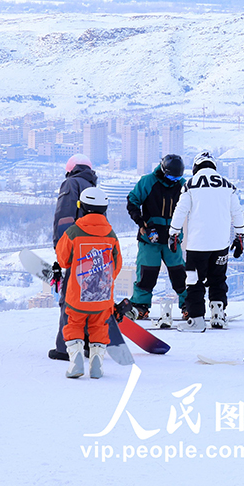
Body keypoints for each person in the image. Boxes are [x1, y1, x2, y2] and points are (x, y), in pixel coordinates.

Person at [168, 151, 244, 332]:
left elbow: (180, 211)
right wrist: (240, 236)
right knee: (218, 279)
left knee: (195, 281)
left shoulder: (190, 185)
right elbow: (237, 212)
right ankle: (218, 315)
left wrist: (173, 234)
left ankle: (196, 319)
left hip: (198, 245)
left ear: (196, 167)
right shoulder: (228, 186)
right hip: (221, 244)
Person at [55, 187, 123, 379]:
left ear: (82, 207)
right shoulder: (111, 234)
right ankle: (97, 363)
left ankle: (76, 357)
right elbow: (117, 265)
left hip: (77, 295)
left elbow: (63, 259)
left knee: (74, 324)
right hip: (102, 296)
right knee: (99, 326)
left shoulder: (74, 232)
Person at [49, 153, 98, 361]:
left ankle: (65, 347)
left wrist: (60, 250)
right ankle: (87, 342)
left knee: (70, 297)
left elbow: (64, 218)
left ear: (70, 169)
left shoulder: (70, 184)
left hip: (76, 249)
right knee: (89, 296)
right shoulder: (94, 188)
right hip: (95, 251)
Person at [125, 154, 187, 321]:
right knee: (147, 273)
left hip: (172, 238)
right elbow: (132, 201)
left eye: (178, 177)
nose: (174, 180)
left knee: (179, 273)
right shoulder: (148, 182)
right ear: (163, 170)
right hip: (150, 238)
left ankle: (188, 304)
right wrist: (140, 221)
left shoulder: (182, 185)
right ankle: (140, 306)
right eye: (171, 176)